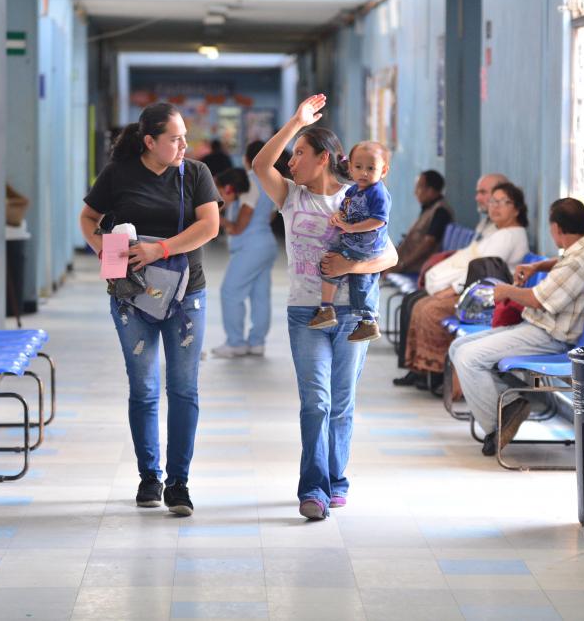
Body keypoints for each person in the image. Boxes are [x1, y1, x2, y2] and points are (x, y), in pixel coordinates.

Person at [252, 94, 398, 520]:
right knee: (315, 400)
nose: (291, 161)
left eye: (299, 153)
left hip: (351, 310)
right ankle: (312, 489)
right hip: (305, 311)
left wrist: (352, 263)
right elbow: (262, 165)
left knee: (341, 401)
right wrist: (296, 122)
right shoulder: (290, 197)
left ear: (324, 158)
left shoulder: (357, 197)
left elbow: (390, 256)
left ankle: (337, 479)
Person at [79, 102, 220, 515]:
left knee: (182, 387)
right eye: (174, 139)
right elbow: (89, 217)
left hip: (185, 295)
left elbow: (209, 227)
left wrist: (160, 249)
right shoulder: (118, 175)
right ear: (149, 142)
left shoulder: (195, 174)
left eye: (184, 137)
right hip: (132, 297)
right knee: (143, 387)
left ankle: (179, 482)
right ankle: (149, 477)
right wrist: (103, 248)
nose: (183, 145)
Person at [449, 197, 584, 456]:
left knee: (467, 357)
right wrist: (538, 266)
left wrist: (506, 291)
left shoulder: (578, 261)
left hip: (549, 337)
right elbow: (566, 263)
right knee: (458, 346)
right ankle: (510, 405)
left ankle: (496, 425)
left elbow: (538, 300)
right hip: (537, 329)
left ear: (556, 228)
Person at [398, 182, 532, 391]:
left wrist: (452, 289)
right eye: (493, 202)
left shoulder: (510, 235)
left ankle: (441, 375)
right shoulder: (497, 232)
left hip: (488, 300)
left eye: (503, 202)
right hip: (476, 292)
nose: (495, 207)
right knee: (421, 304)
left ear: (517, 208)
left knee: (431, 309)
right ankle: (425, 371)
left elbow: (484, 270)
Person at [308, 141, 392, 343]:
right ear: (350, 167)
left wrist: (351, 228)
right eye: (358, 167)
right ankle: (331, 310)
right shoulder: (353, 191)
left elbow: (379, 220)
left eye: (371, 168)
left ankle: (365, 320)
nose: (364, 173)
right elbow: (346, 209)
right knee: (334, 266)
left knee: (356, 278)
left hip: (366, 246)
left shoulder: (378, 193)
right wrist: (339, 217)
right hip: (353, 242)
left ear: (384, 170)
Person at [212, 157, 278, 358]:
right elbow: (271, 214)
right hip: (266, 243)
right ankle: (257, 342)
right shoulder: (269, 180)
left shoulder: (250, 182)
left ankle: (236, 343)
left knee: (230, 292)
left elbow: (238, 228)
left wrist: (220, 220)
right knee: (260, 296)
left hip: (251, 247)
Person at [383, 170, 452, 275]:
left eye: (419, 187)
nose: (416, 192)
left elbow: (428, 244)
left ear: (431, 190)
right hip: (403, 261)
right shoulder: (429, 208)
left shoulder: (440, 211)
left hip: (418, 267)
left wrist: (403, 264)